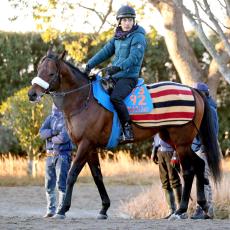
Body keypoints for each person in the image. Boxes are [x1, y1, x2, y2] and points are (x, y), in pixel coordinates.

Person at [84, 5, 147, 144]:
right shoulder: (117, 37)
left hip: (129, 78)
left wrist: (117, 67)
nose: (127, 23)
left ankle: (127, 130)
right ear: (119, 22)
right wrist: (89, 65)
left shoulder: (138, 37)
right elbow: (104, 52)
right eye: (124, 20)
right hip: (115, 76)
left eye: (130, 20)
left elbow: (134, 58)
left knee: (116, 98)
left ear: (134, 21)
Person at [191, 82, 219, 219]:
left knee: (203, 178)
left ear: (203, 94)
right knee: (201, 178)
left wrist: (203, 147)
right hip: (197, 148)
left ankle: (202, 209)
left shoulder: (210, 110)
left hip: (205, 148)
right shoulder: (200, 108)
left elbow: (212, 132)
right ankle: (206, 209)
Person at [39, 104, 73, 218]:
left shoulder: (67, 119)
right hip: (49, 156)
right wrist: (54, 132)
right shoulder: (50, 118)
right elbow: (41, 133)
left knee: (61, 184)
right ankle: (50, 210)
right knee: (49, 185)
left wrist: (49, 137)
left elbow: (64, 138)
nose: (55, 105)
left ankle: (61, 210)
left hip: (62, 156)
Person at [152, 133, 182, 219]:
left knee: (174, 180)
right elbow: (155, 136)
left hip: (170, 151)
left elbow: (178, 136)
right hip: (160, 151)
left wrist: (176, 154)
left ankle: (180, 211)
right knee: (165, 182)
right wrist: (154, 150)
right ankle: (172, 210)